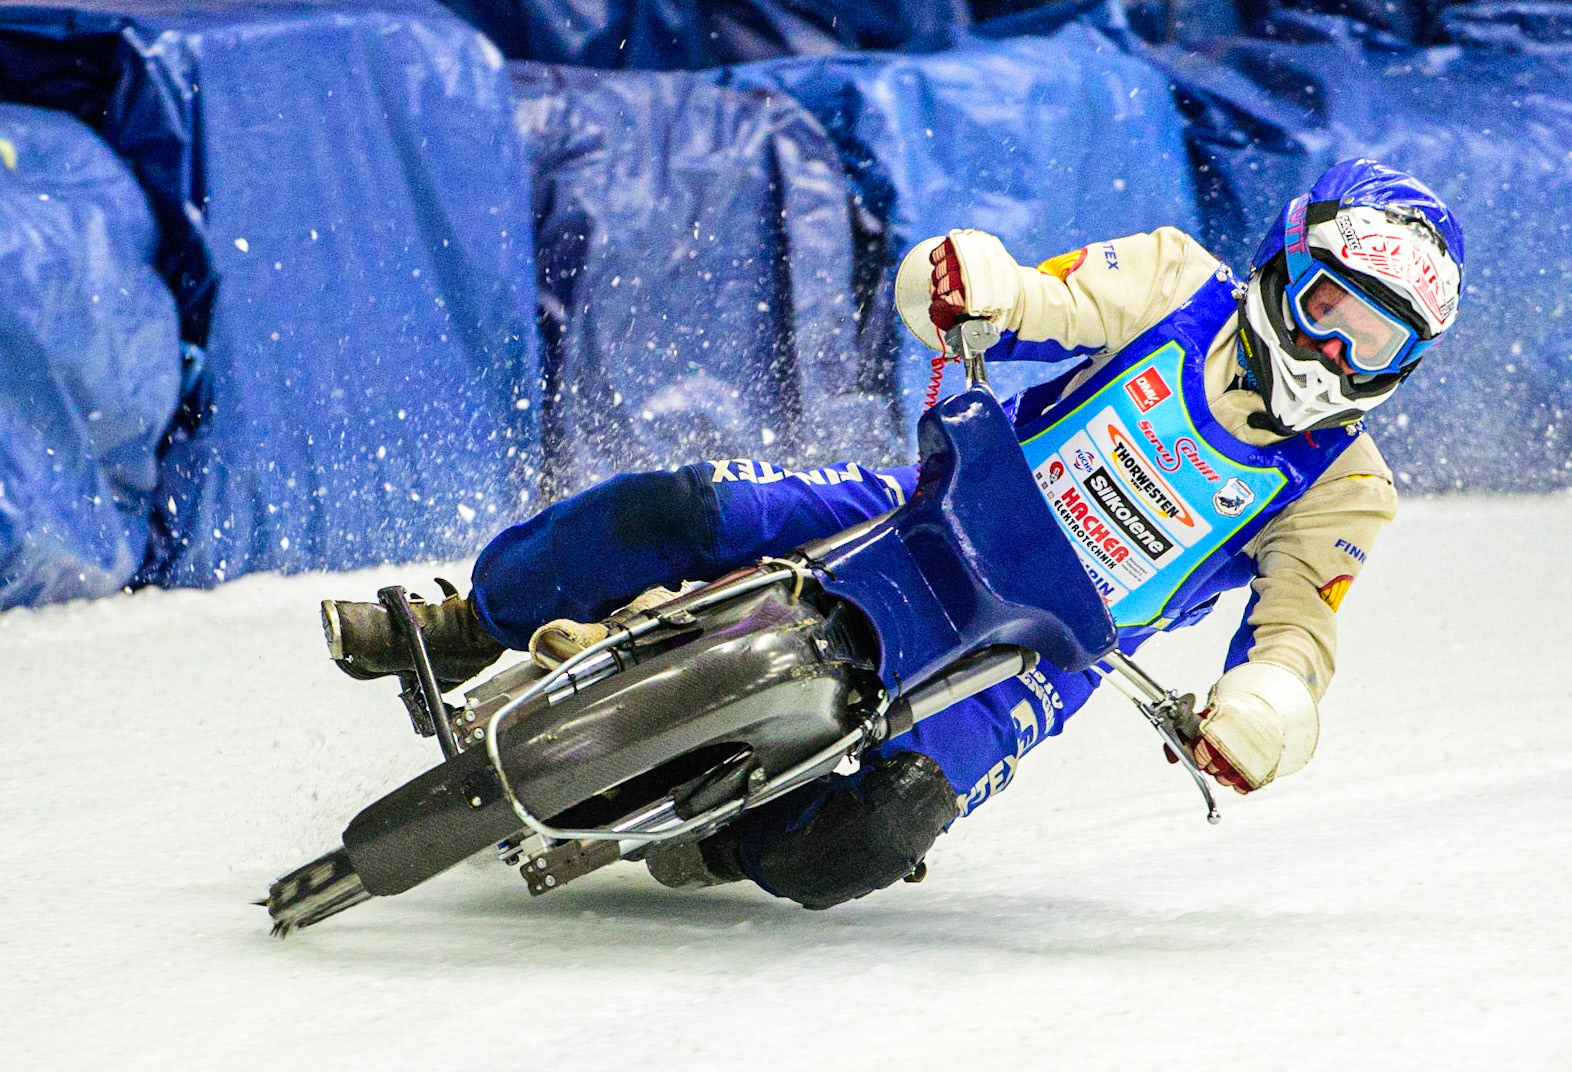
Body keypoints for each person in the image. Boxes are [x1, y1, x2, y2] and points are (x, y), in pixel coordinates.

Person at [321, 158, 1463, 909]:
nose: (1330, 356)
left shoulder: (1346, 490)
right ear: (1281, 259)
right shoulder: (1176, 279)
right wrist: (984, 286)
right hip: (915, 509)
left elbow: (1297, 634)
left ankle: (715, 840)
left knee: (868, 838)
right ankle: (475, 617)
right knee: (680, 507)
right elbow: (1049, 302)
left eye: (1372, 344)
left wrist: (1267, 707)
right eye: (1329, 307)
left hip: (1034, 658)